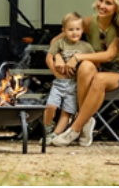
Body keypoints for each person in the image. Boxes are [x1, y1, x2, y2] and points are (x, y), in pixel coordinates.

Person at [52, 0, 119, 147]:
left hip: (117, 72)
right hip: (94, 69)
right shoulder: (88, 22)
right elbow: (56, 42)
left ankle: (75, 128)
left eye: (108, 3)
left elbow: (109, 56)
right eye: (100, 0)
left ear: (118, 7)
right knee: (86, 67)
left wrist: (77, 56)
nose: (102, 5)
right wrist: (58, 57)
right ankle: (86, 121)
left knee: (97, 78)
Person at [43, 12, 96, 143]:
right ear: (64, 30)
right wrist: (55, 71)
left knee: (66, 113)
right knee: (50, 106)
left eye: (77, 29)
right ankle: (47, 128)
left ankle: (55, 135)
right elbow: (49, 57)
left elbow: (94, 62)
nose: (74, 32)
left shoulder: (86, 47)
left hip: (74, 86)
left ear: (83, 30)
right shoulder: (60, 43)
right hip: (59, 83)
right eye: (70, 29)